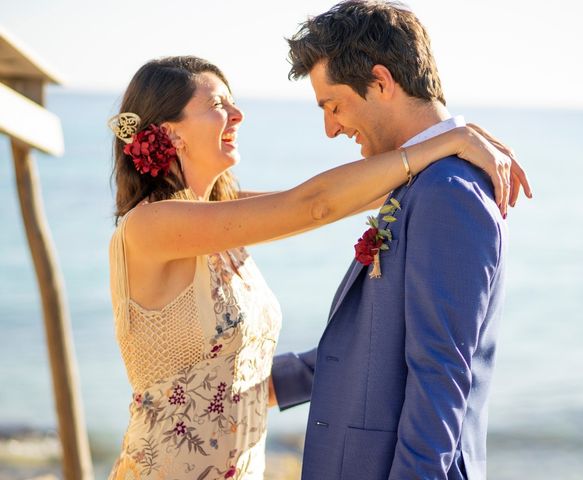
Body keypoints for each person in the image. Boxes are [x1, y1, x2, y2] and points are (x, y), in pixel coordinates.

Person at [106, 55, 524, 480]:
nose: (238, 114)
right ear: (169, 132)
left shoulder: (217, 213)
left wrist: (455, 147)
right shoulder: (150, 225)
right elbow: (313, 205)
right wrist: (444, 142)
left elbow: (355, 198)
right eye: (218, 105)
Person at [269, 2, 533, 479]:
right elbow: (381, 343)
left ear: (382, 82)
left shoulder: (449, 194)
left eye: (333, 105)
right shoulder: (423, 180)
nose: (331, 128)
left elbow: (440, 379)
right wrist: (274, 382)